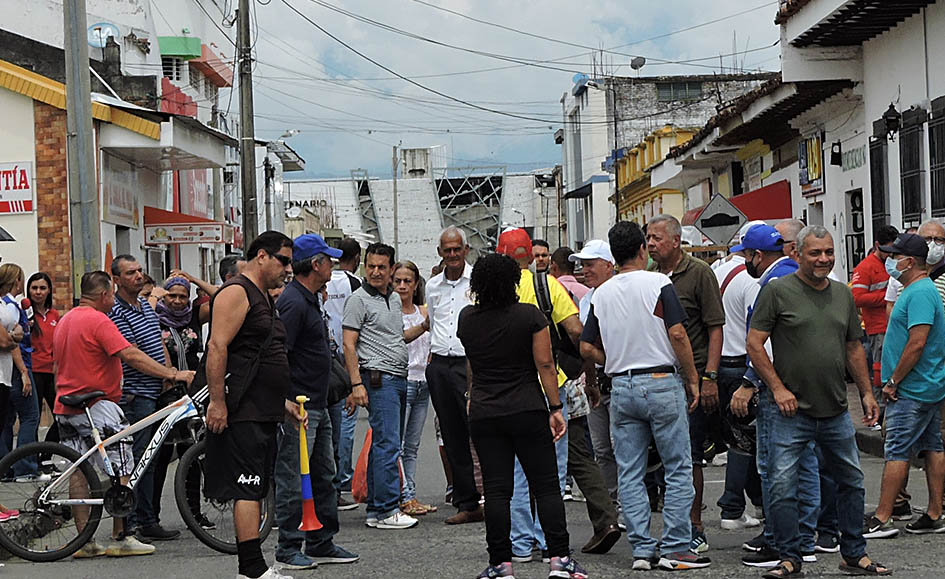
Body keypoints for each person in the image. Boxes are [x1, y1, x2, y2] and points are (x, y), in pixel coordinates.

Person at [745, 225, 888, 578]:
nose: (823, 259)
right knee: (782, 486)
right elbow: (754, 343)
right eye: (815, 253)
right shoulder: (777, 291)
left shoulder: (842, 294)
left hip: (836, 409)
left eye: (828, 252)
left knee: (851, 482)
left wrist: (867, 392)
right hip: (789, 412)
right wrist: (777, 388)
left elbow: (854, 346)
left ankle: (854, 553)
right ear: (797, 254)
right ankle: (790, 556)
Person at [580, 221, 707, 571]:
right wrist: (693, 378)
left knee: (630, 471)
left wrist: (613, 362)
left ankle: (642, 548)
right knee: (677, 466)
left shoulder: (602, 293)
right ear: (641, 250)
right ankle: (677, 546)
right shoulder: (659, 283)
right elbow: (678, 334)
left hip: (622, 386)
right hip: (661, 380)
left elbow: (587, 345)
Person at [458, 252, 587, 579]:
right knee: (546, 486)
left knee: (498, 489)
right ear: (514, 282)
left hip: (485, 410)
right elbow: (545, 364)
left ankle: (500, 564)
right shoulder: (530, 316)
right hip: (527, 408)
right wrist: (555, 408)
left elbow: (472, 362)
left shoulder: (467, 319)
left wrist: (473, 397)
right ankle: (559, 559)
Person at [55, 271, 194, 558]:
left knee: (80, 469)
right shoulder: (98, 320)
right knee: (122, 466)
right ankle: (121, 536)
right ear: (105, 295)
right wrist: (173, 372)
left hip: (66, 404)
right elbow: (130, 354)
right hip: (98, 403)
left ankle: (85, 543)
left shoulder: (66, 319)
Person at [203, 231, 304, 579]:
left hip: (264, 408)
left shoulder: (261, 295)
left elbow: (261, 355)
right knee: (247, 487)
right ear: (262, 256)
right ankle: (251, 570)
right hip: (242, 409)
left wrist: (284, 402)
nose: (288, 269)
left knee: (257, 486)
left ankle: (255, 568)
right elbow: (217, 347)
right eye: (284, 260)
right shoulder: (236, 292)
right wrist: (217, 402)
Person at [731, 223, 823, 567]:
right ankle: (805, 537)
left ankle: (779, 540)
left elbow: (761, 341)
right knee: (806, 461)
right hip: (808, 385)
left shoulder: (773, 284)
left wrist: (750, 382)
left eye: (745, 257)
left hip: (778, 387)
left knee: (774, 466)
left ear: (757, 255)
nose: (744, 264)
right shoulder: (799, 277)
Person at [273, 233, 359, 570]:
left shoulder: (309, 298)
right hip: (301, 405)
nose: (333, 266)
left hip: (319, 402)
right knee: (295, 475)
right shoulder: (294, 302)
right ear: (316, 264)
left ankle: (321, 540)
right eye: (329, 260)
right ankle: (289, 546)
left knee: (325, 473)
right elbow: (280, 353)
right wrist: (287, 400)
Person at [496, 228, 583, 562]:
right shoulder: (548, 285)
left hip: (509, 386)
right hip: (551, 384)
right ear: (530, 254)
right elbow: (575, 330)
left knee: (516, 469)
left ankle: (519, 544)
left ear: (502, 254)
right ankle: (550, 541)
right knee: (552, 470)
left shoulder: (490, 290)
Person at [646, 215, 725, 553]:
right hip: (657, 376)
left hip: (690, 378)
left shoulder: (699, 274)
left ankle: (694, 525)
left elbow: (715, 328)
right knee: (660, 456)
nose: (650, 244)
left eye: (657, 238)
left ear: (676, 241)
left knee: (689, 454)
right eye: (648, 238)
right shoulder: (648, 277)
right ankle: (667, 525)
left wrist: (709, 377)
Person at [864, 233, 945, 538]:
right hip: (925, 385)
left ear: (909, 262)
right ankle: (935, 513)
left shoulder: (920, 293)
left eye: (894, 256)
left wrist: (893, 381)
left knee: (896, 449)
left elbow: (917, 342)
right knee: (932, 446)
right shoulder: (916, 289)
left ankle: (883, 517)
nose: (890, 260)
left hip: (912, 387)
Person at [343, 242, 428, 530]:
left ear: (392, 269)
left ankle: (377, 510)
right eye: (371, 266)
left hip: (397, 376)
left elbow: (396, 338)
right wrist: (356, 384)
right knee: (389, 444)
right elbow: (348, 343)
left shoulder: (392, 299)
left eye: (382, 267)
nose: (376, 272)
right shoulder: (358, 300)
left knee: (386, 444)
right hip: (379, 378)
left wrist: (424, 327)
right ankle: (387, 508)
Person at [108, 255, 178, 541]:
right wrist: (169, 374)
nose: (138, 276)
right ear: (115, 279)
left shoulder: (146, 308)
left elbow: (158, 342)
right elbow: (132, 354)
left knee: (153, 458)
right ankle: (135, 521)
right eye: (130, 273)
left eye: (139, 271)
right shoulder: (116, 311)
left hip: (154, 390)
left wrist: (167, 375)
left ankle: (149, 518)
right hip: (135, 395)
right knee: (138, 460)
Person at [425, 226, 484, 525]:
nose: (452, 255)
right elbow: (434, 322)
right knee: (452, 435)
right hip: (440, 365)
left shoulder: (477, 281)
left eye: (456, 249)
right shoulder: (432, 286)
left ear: (465, 250)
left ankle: (493, 496)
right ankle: (467, 500)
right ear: (440, 253)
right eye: (446, 250)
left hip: (468, 363)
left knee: (479, 429)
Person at [149, 276, 209, 532]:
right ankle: (151, 517)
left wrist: (192, 278)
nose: (176, 301)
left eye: (182, 296)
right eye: (171, 295)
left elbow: (220, 296)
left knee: (193, 453)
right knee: (160, 455)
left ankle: (194, 514)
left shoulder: (193, 317)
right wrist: (155, 297)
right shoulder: (154, 317)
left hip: (193, 394)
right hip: (164, 394)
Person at [712, 232, 763, 532]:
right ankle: (732, 506)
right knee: (745, 443)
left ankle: (757, 503)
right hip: (743, 368)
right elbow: (757, 328)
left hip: (720, 366)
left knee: (743, 440)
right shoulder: (751, 280)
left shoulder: (717, 271)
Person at [571, 241, 618, 503]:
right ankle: (611, 502)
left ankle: (630, 502)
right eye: (583, 265)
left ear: (608, 265)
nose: (584, 270)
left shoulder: (616, 294)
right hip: (596, 378)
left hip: (617, 376)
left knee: (621, 446)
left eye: (590, 264)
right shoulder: (587, 298)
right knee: (601, 448)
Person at [393, 260, 437, 516]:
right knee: (397, 444)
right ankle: (403, 495)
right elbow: (399, 338)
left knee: (412, 446)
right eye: (397, 281)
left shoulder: (422, 310)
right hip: (403, 381)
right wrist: (423, 327)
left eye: (407, 281)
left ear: (416, 284)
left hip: (423, 384)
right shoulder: (391, 311)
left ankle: (410, 493)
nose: (402, 286)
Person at [324, 237, 362, 505]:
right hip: (346, 354)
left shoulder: (327, 280)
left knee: (331, 423)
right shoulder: (354, 284)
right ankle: (341, 479)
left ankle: (332, 481)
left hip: (328, 351)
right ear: (358, 257)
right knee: (344, 421)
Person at [851, 225, 899, 418]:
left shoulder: (896, 262)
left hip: (895, 326)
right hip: (878, 327)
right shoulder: (865, 267)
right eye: (886, 250)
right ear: (877, 245)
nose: (890, 255)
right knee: (878, 371)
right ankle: (878, 412)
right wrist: (888, 297)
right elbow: (858, 297)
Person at [0, 263, 40, 481]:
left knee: (6, 419)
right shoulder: (12, 306)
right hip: (18, 365)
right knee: (30, 416)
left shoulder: (10, 304)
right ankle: (25, 467)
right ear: (17, 280)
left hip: (9, 368)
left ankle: (5, 467)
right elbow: (10, 340)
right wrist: (24, 371)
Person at [27, 272, 60, 456]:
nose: (38, 292)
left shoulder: (54, 314)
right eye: (34, 288)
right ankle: (32, 459)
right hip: (33, 372)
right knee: (34, 418)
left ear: (49, 291)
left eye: (42, 288)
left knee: (62, 417)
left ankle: (45, 453)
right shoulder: (25, 314)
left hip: (52, 372)